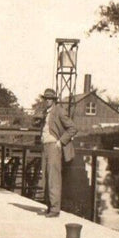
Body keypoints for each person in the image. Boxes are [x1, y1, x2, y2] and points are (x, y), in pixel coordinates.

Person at [38, 88, 78, 217]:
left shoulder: (59, 111)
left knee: (54, 178)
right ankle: (49, 207)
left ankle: (55, 210)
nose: (47, 101)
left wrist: (60, 142)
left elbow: (72, 128)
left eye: (50, 98)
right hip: (45, 147)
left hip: (54, 147)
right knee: (46, 176)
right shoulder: (46, 113)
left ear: (54, 100)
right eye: (46, 98)